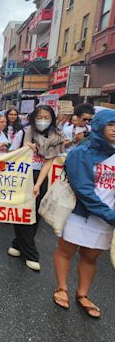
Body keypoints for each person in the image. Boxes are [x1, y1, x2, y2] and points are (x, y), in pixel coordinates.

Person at [52, 109, 115, 318]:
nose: (114, 130)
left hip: (107, 217)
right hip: (80, 213)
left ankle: (83, 294)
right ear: (99, 126)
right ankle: (62, 288)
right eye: (110, 125)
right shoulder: (81, 152)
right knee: (66, 251)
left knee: (90, 257)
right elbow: (84, 190)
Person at [9, 105, 66, 271]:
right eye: (39, 117)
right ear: (33, 118)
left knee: (35, 213)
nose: (42, 121)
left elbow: (49, 162)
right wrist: (24, 148)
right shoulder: (24, 132)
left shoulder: (57, 136)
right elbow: (13, 154)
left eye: (46, 117)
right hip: (22, 175)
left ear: (52, 119)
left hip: (40, 177)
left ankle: (18, 244)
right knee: (21, 211)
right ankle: (31, 253)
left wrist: (38, 184)